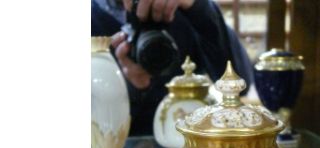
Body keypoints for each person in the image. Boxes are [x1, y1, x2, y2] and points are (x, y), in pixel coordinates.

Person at [92, 0, 253, 136]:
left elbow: (239, 82)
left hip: (191, 147)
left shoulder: (183, 9)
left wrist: (197, 7)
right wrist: (128, 90)